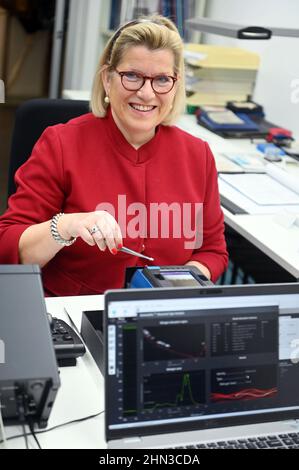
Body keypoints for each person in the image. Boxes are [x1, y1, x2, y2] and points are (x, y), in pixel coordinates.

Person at [0, 15, 228, 296]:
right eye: (131, 76)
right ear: (108, 79)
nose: (146, 93)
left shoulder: (197, 154)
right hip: (75, 314)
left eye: (161, 79)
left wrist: (179, 286)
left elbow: (212, 251)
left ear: (175, 85)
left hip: (162, 315)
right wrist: (66, 226)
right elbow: (10, 246)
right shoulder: (61, 144)